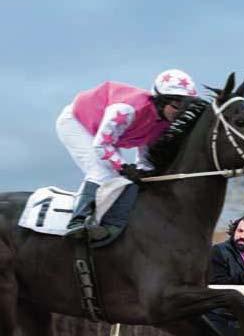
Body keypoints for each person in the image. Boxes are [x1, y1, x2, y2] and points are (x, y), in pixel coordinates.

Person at [55, 69, 198, 239]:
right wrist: (124, 167)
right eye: (176, 106)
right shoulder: (126, 110)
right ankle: (77, 222)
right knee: (103, 172)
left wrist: (144, 172)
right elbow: (101, 146)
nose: (180, 112)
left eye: (185, 106)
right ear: (161, 100)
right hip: (76, 123)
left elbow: (145, 152)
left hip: (103, 134)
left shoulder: (164, 122)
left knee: (124, 179)